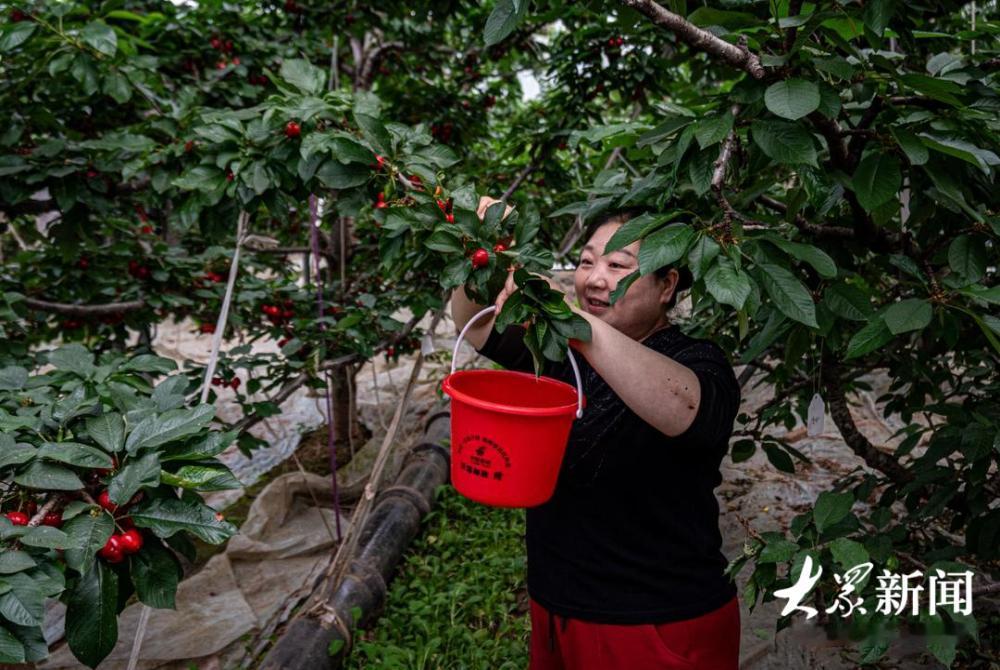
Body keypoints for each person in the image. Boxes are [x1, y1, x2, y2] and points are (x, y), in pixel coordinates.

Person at [451, 201, 742, 670]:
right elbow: (475, 321)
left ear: (667, 286)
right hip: (557, 609)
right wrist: (480, 247)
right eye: (587, 262)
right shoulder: (556, 351)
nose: (595, 279)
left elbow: (683, 406)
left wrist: (570, 318)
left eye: (618, 266)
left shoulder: (698, 363)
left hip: (656, 623)